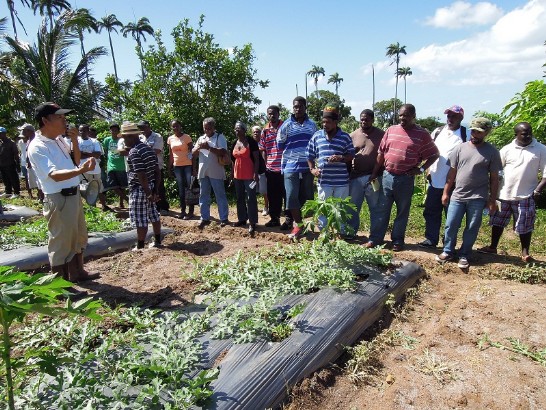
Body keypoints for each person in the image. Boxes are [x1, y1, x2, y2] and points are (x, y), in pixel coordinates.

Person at [27, 102, 99, 282]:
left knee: (78, 236)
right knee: (60, 242)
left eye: (64, 116)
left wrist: (74, 140)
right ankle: (60, 286)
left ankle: (78, 273)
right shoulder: (37, 146)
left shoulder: (59, 140)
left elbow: (74, 161)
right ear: (45, 120)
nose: (64, 120)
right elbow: (55, 175)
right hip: (58, 198)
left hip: (72, 194)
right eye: (59, 117)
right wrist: (80, 171)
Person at [369, 104, 439, 251]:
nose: (402, 118)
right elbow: (381, 153)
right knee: (382, 209)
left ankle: (397, 241)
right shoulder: (391, 130)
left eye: (406, 115)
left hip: (406, 179)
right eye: (400, 115)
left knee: (402, 211)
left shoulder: (422, 134)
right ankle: (375, 239)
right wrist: (375, 172)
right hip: (387, 176)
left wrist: (420, 169)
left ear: (413, 116)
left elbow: (434, 155)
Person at [436, 117, 502, 269]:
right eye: (473, 130)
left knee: (472, 227)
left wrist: (492, 200)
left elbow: (494, 179)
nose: (474, 134)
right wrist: (446, 192)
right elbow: (451, 174)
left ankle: (464, 254)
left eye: (479, 132)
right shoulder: (460, 149)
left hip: (478, 198)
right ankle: (447, 251)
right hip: (458, 195)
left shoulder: (492, 152)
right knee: (451, 224)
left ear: (486, 133)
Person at [478, 122, 546, 262]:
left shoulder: (541, 149)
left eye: (529, 132)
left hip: (526, 194)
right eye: (523, 133)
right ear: (516, 135)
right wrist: (492, 191)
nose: (527, 135)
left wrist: (538, 190)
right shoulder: (507, 149)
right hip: (503, 193)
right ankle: (492, 247)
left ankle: (525, 253)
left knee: (525, 225)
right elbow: (496, 169)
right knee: (497, 221)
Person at [419, 105, 468, 248]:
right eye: (449, 116)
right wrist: (427, 171)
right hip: (434, 180)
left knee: (451, 215)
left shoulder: (466, 133)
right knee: (431, 211)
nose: (450, 119)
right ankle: (431, 239)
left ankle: (448, 242)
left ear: (461, 118)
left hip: (454, 183)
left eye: (454, 116)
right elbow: (430, 151)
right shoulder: (438, 131)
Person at [307, 103, 355, 231]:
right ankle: (324, 234)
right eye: (323, 122)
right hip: (324, 181)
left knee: (340, 209)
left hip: (341, 181)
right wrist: (313, 169)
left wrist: (341, 158)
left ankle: (341, 234)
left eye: (327, 122)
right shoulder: (317, 136)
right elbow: (309, 155)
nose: (324, 125)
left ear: (335, 122)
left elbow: (351, 155)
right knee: (324, 208)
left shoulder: (345, 137)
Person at [277, 96, 317, 239]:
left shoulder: (312, 125)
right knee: (291, 196)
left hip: (307, 167)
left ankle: (305, 226)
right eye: (295, 107)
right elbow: (280, 145)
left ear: (305, 107)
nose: (297, 109)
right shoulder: (286, 125)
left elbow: (315, 144)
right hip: (290, 167)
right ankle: (298, 225)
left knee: (307, 198)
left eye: (300, 106)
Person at [122, 122, 163, 249]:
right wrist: (154, 190)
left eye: (124, 137)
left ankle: (140, 246)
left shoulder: (134, 152)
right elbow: (157, 171)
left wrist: (148, 193)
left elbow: (141, 175)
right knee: (153, 215)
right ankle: (157, 241)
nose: (124, 141)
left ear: (131, 136)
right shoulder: (148, 149)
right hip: (149, 186)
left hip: (140, 189)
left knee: (141, 219)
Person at [348, 109, 384, 239]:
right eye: (362, 119)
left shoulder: (381, 135)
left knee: (375, 208)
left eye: (367, 119)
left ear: (372, 120)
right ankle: (350, 233)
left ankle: (375, 236)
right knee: (353, 207)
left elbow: (384, 155)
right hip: (356, 177)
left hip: (374, 177)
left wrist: (376, 173)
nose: (364, 122)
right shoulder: (352, 135)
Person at [192, 117, 230, 228]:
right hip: (203, 171)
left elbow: (223, 151)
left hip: (216, 171)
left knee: (220, 195)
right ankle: (204, 218)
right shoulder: (201, 138)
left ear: (214, 127)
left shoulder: (219, 137)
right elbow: (193, 154)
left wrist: (209, 147)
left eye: (209, 128)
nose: (207, 130)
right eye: (205, 128)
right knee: (203, 195)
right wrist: (198, 147)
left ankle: (224, 218)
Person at [259, 105, 286, 228]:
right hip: (271, 168)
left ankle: (289, 220)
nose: (271, 116)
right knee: (273, 195)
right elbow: (262, 148)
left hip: (285, 167)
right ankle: (275, 219)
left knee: (286, 194)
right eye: (269, 114)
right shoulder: (265, 130)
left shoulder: (285, 127)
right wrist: (265, 164)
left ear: (278, 114)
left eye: (274, 113)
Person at [231, 121, 259, 233]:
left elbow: (257, 159)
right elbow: (233, 160)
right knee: (239, 198)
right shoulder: (234, 143)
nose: (237, 131)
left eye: (239, 129)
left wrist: (255, 173)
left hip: (249, 175)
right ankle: (242, 219)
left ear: (244, 130)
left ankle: (252, 222)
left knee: (251, 198)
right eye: (235, 129)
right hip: (237, 175)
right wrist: (232, 173)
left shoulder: (251, 142)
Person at [75, 124, 111, 211]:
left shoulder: (94, 141)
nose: (82, 132)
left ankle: (103, 205)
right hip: (81, 169)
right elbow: (76, 155)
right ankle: (88, 207)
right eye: (80, 131)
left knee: (98, 188)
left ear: (88, 131)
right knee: (82, 188)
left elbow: (98, 155)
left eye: (84, 130)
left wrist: (84, 153)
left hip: (95, 169)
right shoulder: (76, 142)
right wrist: (91, 154)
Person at [138, 120, 169, 215]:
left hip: (156, 166)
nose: (142, 130)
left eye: (143, 127)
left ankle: (163, 207)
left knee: (159, 187)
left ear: (148, 127)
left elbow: (157, 150)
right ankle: (153, 207)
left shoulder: (157, 136)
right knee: (147, 187)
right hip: (144, 167)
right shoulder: (139, 137)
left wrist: (142, 152)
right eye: (140, 128)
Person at [167, 119, 195, 219]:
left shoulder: (187, 137)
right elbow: (171, 154)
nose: (175, 128)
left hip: (187, 165)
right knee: (181, 189)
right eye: (173, 126)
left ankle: (191, 211)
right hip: (177, 166)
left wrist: (194, 168)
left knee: (189, 188)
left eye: (177, 126)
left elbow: (192, 153)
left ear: (180, 126)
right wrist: (169, 167)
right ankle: (183, 211)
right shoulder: (170, 139)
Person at [102, 123, 129, 208]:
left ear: (118, 131)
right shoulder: (107, 140)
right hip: (111, 166)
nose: (113, 131)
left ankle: (121, 202)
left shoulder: (122, 140)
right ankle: (127, 199)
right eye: (112, 130)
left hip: (121, 166)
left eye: (115, 130)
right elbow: (105, 151)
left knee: (122, 186)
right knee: (112, 185)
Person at [252, 125, 269, 216]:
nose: (256, 133)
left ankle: (266, 207)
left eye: (258, 131)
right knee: (252, 190)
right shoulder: (250, 144)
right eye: (254, 132)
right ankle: (254, 207)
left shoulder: (264, 143)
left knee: (264, 191)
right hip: (253, 171)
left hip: (263, 170)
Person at [0, 127, 21, 199]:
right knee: (5, 179)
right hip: (2, 165)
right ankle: (8, 192)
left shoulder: (11, 143)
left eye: (0, 133)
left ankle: (16, 192)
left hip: (10, 164)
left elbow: (16, 154)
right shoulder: (1, 143)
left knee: (13, 179)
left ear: (4, 133)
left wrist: (18, 164)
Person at [17, 123, 33, 198]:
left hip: (31, 164)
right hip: (23, 163)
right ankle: (30, 194)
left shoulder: (31, 142)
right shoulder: (20, 142)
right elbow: (21, 151)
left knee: (35, 179)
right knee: (27, 179)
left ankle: (39, 195)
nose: (23, 138)